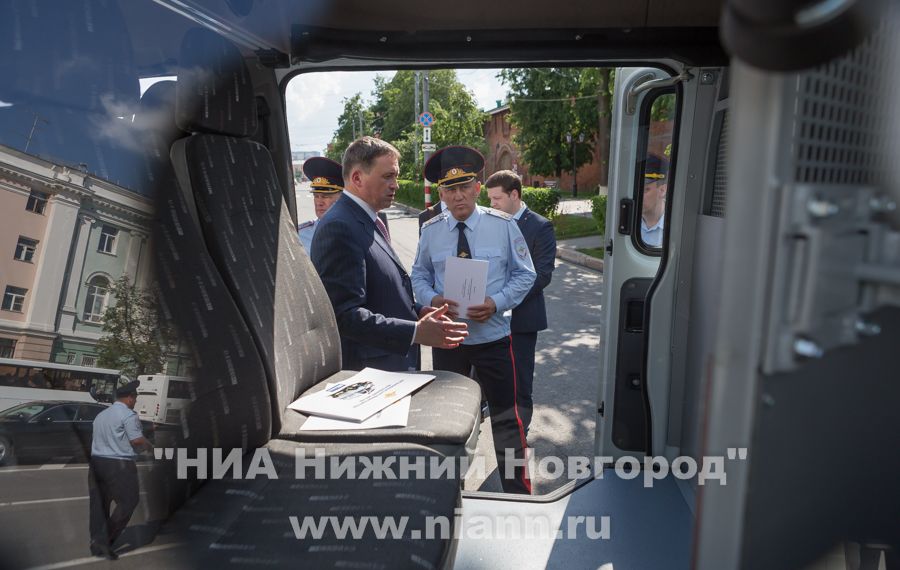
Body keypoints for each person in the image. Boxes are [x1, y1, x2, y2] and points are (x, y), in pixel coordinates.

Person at [412, 146, 536, 494]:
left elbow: (525, 274)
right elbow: (418, 275)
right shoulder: (431, 230)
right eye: (450, 189)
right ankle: (448, 494)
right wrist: (433, 299)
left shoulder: (503, 225)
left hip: (493, 339)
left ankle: (518, 494)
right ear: (441, 193)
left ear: (477, 187)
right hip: (448, 339)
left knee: (507, 420)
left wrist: (497, 303)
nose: (458, 195)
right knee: (446, 422)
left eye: (464, 186)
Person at [311, 136, 468, 371]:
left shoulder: (367, 218)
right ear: (357, 178)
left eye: (395, 176)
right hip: (372, 372)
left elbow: (380, 292)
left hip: (389, 365)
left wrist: (418, 311)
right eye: (388, 176)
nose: (396, 185)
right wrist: (414, 332)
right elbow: (343, 315)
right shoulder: (340, 226)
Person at [485, 169, 557, 437]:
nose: (491, 204)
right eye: (489, 199)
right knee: (488, 376)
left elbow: (542, 275)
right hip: (488, 316)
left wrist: (504, 299)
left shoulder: (539, 226)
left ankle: (518, 435)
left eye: (496, 199)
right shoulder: (490, 223)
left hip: (521, 318)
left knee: (520, 382)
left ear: (514, 195)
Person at [88, 380, 152, 560]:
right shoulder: (129, 415)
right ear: (130, 397)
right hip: (119, 465)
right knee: (129, 501)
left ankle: (95, 541)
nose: (136, 401)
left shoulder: (101, 415)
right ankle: (103, 539)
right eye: (136, 398)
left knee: (99, 505)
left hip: (96, 464)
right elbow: (136, 440)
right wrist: (149, 445)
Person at [298, 156, 344, 251]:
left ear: (342, 198)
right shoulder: (299, 235)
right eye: (316, 196)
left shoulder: (356, 231)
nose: (319, 202)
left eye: (325, 196)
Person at [641, 152, 669, 248]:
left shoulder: (675, 225)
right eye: (635, 190)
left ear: (662, 190)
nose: (637, 195)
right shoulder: (628, 221)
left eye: (645, 190)